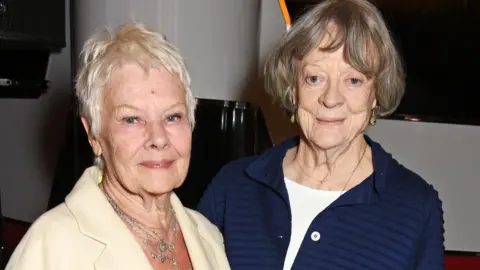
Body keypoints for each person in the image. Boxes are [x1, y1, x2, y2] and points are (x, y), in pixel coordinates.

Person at [197, 0, 444, 269]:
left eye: (353, 81)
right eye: (315, 78)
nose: (331, 99)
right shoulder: (234, 186)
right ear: (293, 87)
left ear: (376, 94)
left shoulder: (415, 206)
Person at [6, 22, 230, 270]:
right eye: (132, 119)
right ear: (93, 134)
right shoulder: (49, 248)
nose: (158, 138)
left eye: (172, 117)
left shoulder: (209, 237)